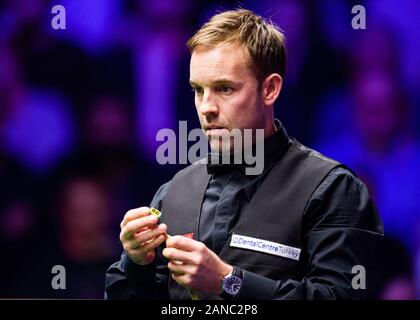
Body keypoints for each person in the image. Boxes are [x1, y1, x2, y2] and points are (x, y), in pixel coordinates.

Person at [105, 9, 384, 300]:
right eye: (199, 90)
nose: (206, 108)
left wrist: (228, 281)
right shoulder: (173, 192)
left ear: (270, 89)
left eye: (224, 89)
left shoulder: (333, 190)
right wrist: (137, 264)